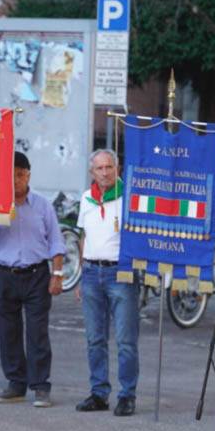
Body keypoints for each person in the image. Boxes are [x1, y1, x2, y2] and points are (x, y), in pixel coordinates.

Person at [0, 151, 66, 408]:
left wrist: (57, 274)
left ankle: (40, 385)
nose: (15, 180)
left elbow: (56, 241)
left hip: (37, 274)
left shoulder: (42, 205)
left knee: (37, 332)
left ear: (28, 175)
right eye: (11, 176)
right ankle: (16, 383)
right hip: (4, 274)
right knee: (8, 331)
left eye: (20, 175)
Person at [74, 149, 140, 416]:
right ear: (92, 172)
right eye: (99, 168)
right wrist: (80, 275)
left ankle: (127, 394)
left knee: (125, 339)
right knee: (94, 339)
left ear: (118, 168)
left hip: (120, 273)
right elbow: (83, 237)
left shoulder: (129, 197)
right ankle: (99, 392)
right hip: (91, 272)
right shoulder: (87, 198)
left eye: (109, 167)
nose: (104, 172)